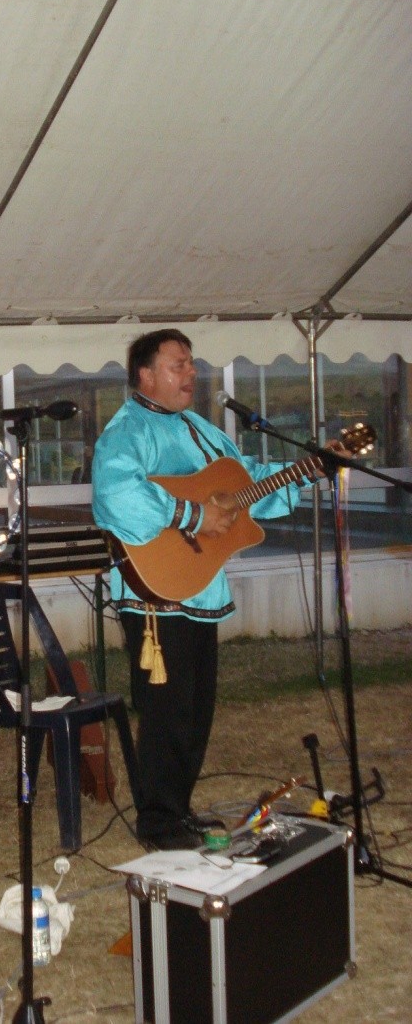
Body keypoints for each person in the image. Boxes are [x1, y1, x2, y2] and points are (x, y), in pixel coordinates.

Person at [92, 328, 347, 851]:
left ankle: (177, 810)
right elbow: (118, 496)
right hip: (156, 595)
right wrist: (192, 513)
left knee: (196, 708)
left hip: (199, 588)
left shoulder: (200, 429)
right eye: (178, 365)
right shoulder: (126, 431)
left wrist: (307, 470)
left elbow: (247, 478)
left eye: (191, 363)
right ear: (145, 375)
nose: (191, 373)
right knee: (167, 713)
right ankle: (159, 824)